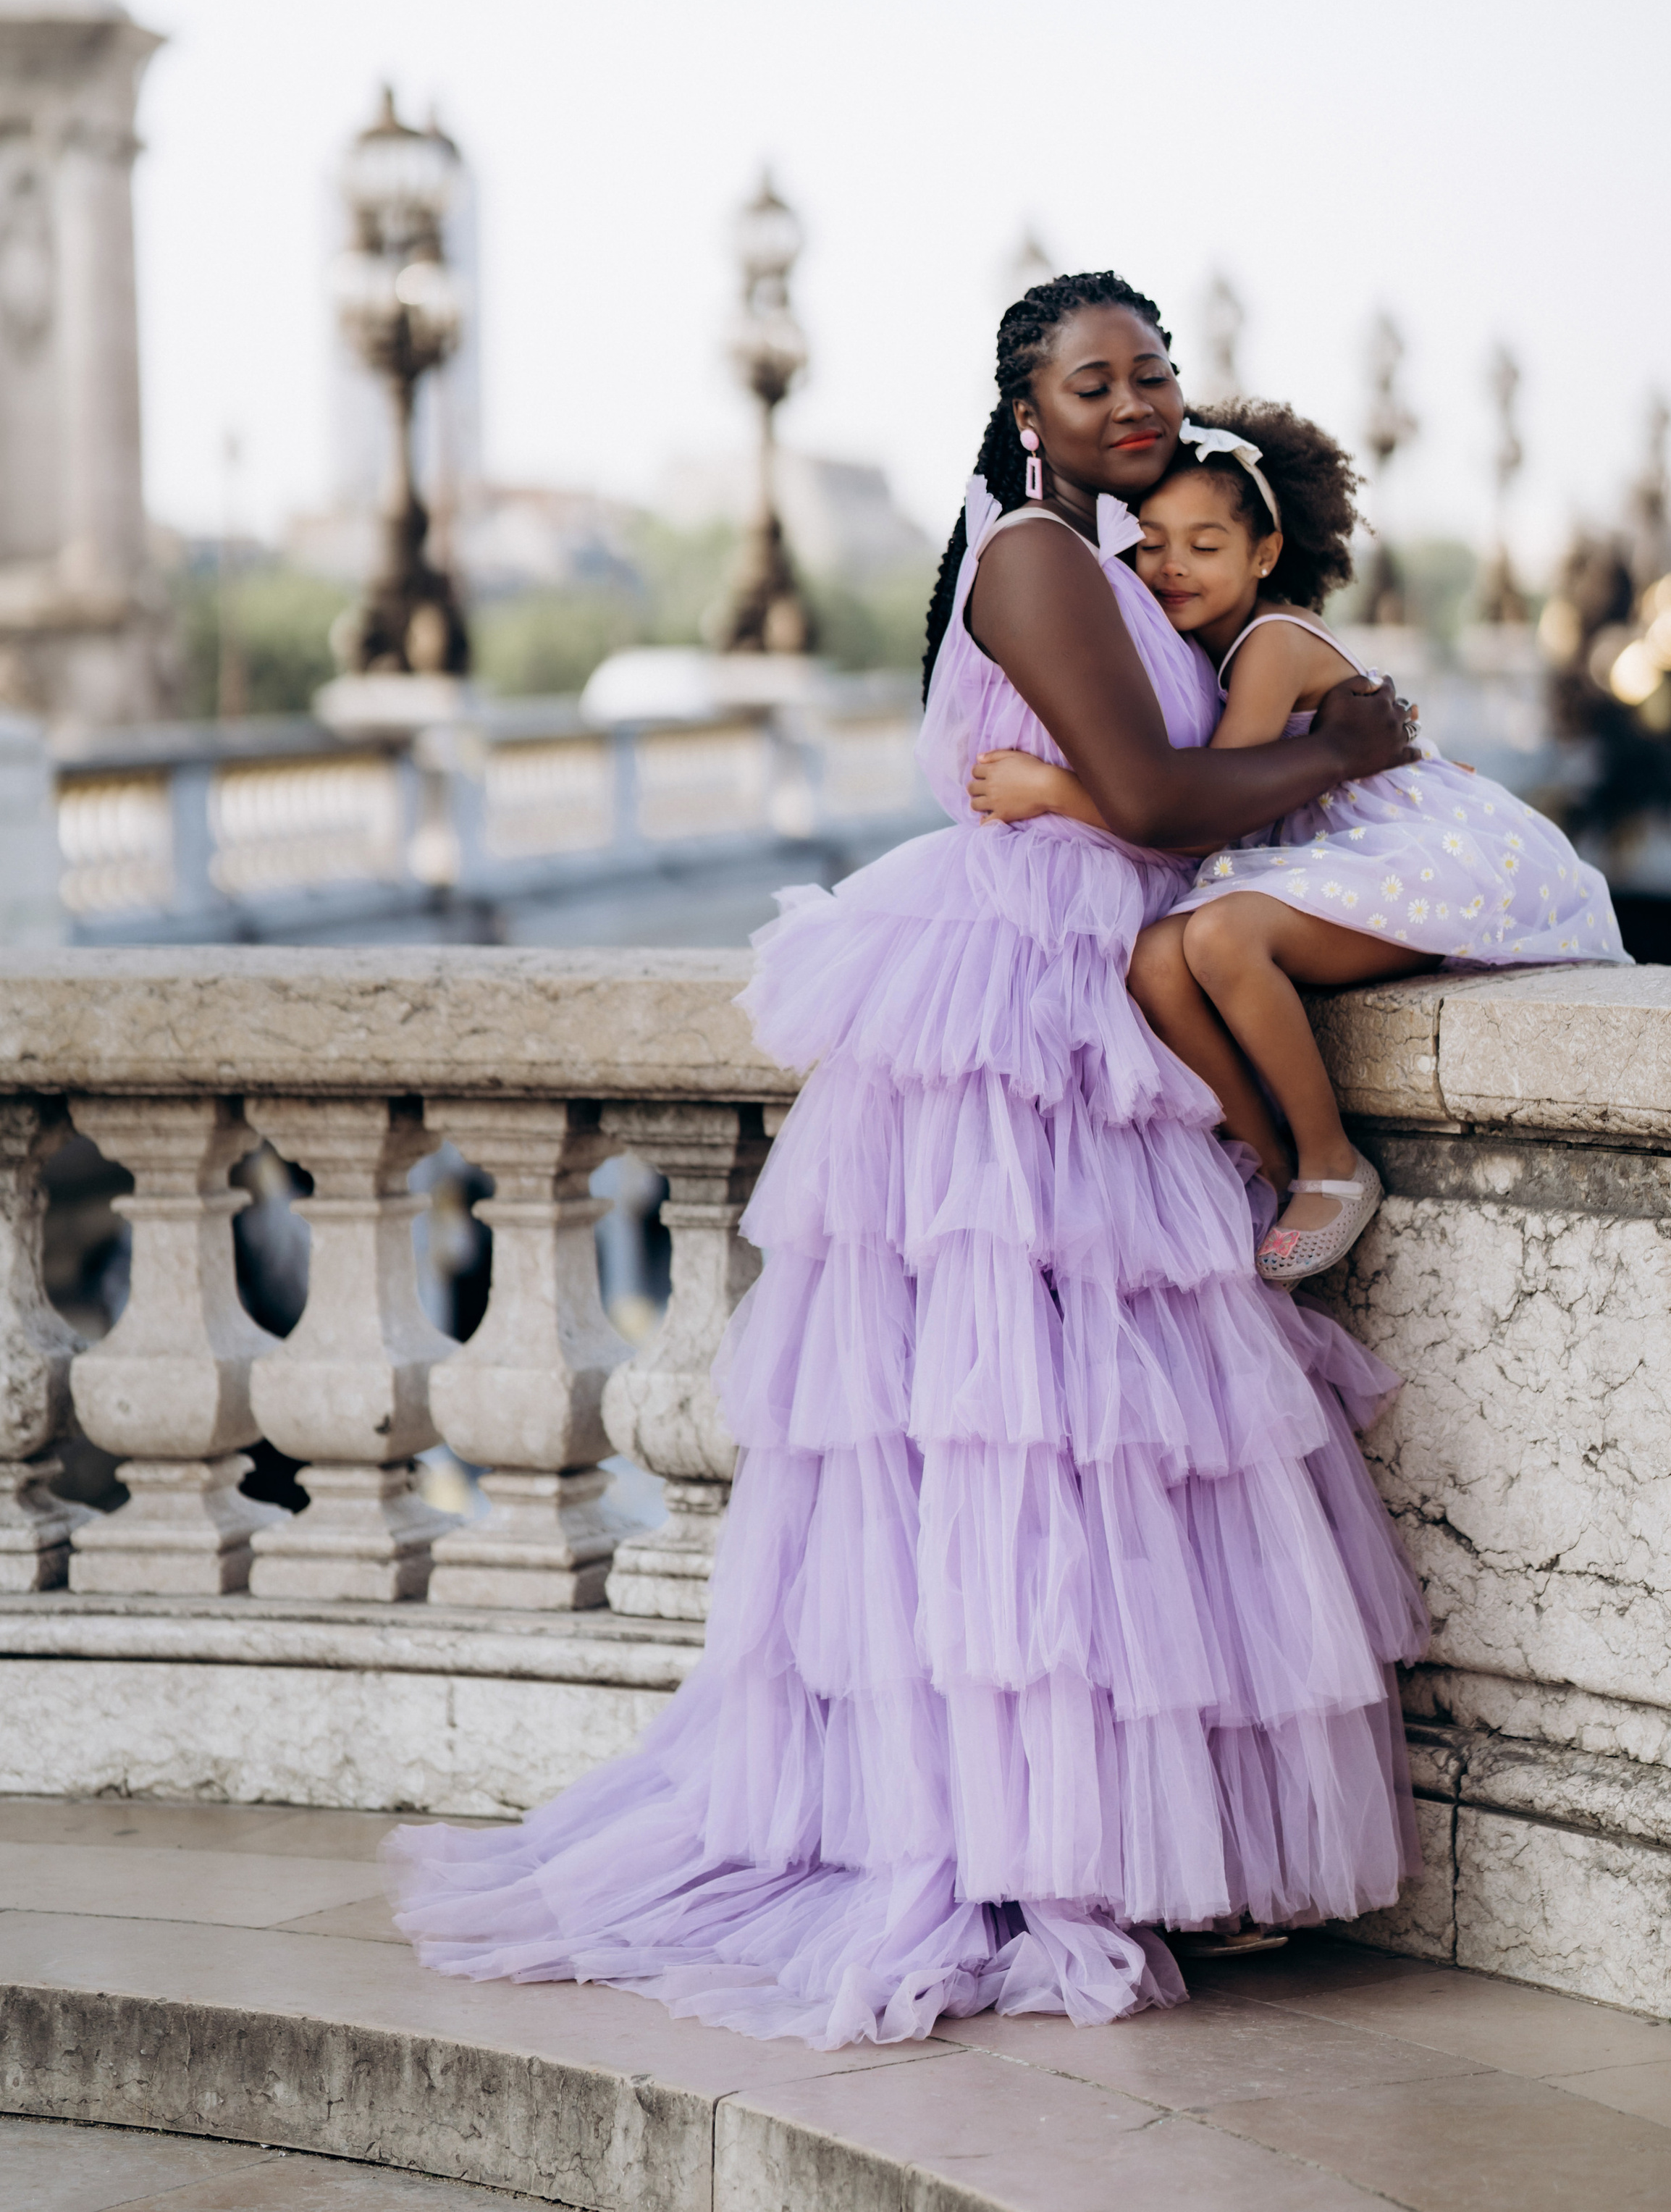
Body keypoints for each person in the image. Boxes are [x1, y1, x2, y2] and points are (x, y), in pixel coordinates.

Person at [382, 276, 1431, 2051]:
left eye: (1156, 368)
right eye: (1094, 378)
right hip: (1018, 1000)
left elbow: (1147, 786)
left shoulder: (1124, 556)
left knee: (1088, 1439)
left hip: (1089, 980)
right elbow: (1166, 798)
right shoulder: (1032, 550)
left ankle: (1088, 1835)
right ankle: (1005, 1844)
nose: (1136, 399)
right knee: (1017, 1433)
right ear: (1027, 407)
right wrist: (1343, 745)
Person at [969, 401, 1627, 1284]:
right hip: (1335, 861)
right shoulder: (1204, 649)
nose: (1170, 568)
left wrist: (1049, 789)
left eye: (1204, 547)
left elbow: (1210, 812)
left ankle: (1330, 1161)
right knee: (1154, 962)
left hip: (1412, 857)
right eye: (1152, 544)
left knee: (1216, 936)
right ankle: (1269, 1166)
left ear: (1264, 555)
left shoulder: (1270, 640)